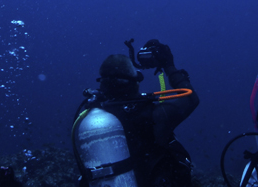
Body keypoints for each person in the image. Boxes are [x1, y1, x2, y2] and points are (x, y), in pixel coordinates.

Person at [72, 39, 199, 187]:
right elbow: (191, 99)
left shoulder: (91, 117)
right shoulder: (154, 115)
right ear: (134, 83)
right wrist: (169, 65)